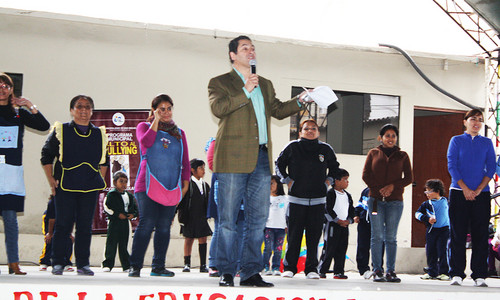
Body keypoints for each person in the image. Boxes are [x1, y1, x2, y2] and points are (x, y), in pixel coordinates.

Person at [208, 35, 307, 287]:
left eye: (253, 48)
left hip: (261, 157)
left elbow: (277, 109)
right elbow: (218, 109)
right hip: (231, 159)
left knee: (258, 219)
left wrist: (301, 101)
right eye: (245, 48)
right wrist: (245, 90)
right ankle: (227, 271)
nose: (251, 51)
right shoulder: (219, 82)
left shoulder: (265, 83)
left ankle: (251, 271)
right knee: (228, 219)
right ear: (233, 55)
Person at [41, 95, 108, 276]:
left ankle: (83, 264)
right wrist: (51, 181)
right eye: (79, 107)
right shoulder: (60, 130)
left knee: (85, 227)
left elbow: (104, 162)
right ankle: (58, 263)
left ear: (92, 111)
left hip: (89, 189)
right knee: (63, 225)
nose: (83, 110)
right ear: (72, 110)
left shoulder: (99, 134)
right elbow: (46, 156)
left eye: (87, 107)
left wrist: (97, 181)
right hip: (65, 186)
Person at [128, 94, 190, 278]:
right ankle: (135, 266)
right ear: (154, 110)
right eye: (161, 109)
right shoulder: (143, 126)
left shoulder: (179, 133)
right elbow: (146, 142)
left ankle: (158, 267)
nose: (166, 112)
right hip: (147, 184)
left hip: (171, 185)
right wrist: (155, 120)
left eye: (168, 108)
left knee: (164, 226)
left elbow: (185, 161)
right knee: (146, 224)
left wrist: (184, 185)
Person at [276, 119, 340, 280]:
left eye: (313, 128)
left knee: (314, 237)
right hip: (296, 201)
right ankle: (290, 268)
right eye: (306, 129)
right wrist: (287, 180)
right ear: (300, 132)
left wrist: (328, 182)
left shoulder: (325, 149)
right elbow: (279, 164)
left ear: (318, 132)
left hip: (318, 202)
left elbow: (334, 168)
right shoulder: (292, 147)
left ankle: (312, 269)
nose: (310, 131)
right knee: (294, 236)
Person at [0, 73, 50, 275]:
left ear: (11, 90)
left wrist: (30, 105)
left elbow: (44, 126)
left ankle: (13, 263)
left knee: (11, 221)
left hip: (10, 175)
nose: (2, 88)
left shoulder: (19, 113)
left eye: (6, 85)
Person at [447, 109, 495, 287]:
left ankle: (480, 274)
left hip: (481, 195)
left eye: (480, 120)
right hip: (459, 193)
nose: (477, 123)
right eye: (473, 119)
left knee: (480, 235)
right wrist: (465, 189)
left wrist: (479, 188)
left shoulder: (487, 142)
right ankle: (457, 273)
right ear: (465, 121)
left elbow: (490, 168)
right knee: (458, 234)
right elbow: (452, 166)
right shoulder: (456, 141)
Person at [362, 124, 413, 283]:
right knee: (376, 236)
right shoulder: (373, 153)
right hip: (376, 201)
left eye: (393, 136)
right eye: (387, 135)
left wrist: (392, 187)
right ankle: (377, 270)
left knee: (391, 237)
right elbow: (366, 175)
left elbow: (408, 178)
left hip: (395, 202)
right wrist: (380, 190)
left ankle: (391, 271)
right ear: (381, 138)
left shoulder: (402, 156)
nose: (390, 138)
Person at [317, 168, 354, 279]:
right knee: (329, 247)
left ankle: (339, 271)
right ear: (336, 181)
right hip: (332, 225)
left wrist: (349, 220)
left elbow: (351, 210)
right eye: (345, 179)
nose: (347, 182)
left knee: (342, 248)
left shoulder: (348, 196)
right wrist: (336, 220)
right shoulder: (330, 194)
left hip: (344, 226)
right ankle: (322, 269)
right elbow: (327, 209)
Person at [177, 158, 212, 273]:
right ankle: (187, 263)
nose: (203, 170)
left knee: (203, 239)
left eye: (204, 168)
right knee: (189, 239)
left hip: (202, 216)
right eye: (200, 168)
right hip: (190, 216)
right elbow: (181, 201)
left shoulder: (205, 185)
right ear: (192, 170)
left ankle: (203, 264)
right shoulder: (188, 185)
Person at [101, 171, 138, 272]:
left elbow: (135, 208)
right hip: (114, 222)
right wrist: (116, 214)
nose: (123, 184)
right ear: (114, 182)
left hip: (125, 223)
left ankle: (126, 265)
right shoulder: (111, 194)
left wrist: (133, 215)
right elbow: (107, 207)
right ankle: (107, 264)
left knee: (125, 244)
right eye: (121, 181)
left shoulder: (129, 196)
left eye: (125, 182)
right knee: (111, 243)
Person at [415, 179, 450, 281]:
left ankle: (444, 272)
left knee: (442, 251)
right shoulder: (426, 204)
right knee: (431, 251)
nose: (427, 194)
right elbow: (417, 214)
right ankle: (432, 272)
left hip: (444, 230)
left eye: (429, 191)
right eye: (426, 192)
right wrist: (427, 219)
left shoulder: (446, 201)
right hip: (431, 231)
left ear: (437, 191)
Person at [39, 196, 74, 272]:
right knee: (50, 239)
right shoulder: (53, 202)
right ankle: (44, 262)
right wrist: (50, 233)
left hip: (64, 220)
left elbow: (71, 219)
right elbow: (51, 219)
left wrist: (70, 233)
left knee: (68, 239)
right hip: (50, 221)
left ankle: (67, 263)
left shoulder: (71, 202)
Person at [262, 175, 288, 276]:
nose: (270, 186)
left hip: (281, 227)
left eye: (272, 183)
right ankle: (265, 266)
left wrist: (286, 225)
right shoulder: (265, 198)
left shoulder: (285, 199)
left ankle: (276, 267)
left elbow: (286, 212)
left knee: (278, 249)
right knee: (267, 248)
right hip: (268, 227)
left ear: (278, 185)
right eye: (268, 183)